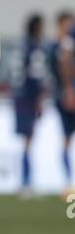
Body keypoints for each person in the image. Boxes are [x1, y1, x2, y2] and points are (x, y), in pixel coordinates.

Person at [10, 15, 47, 196]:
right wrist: (40, 99)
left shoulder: (21, 45)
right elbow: (36, 75)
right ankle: (26, 182)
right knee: (28, 140)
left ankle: (26, 181)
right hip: (29, 98)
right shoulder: (34, 48)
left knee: (26, 140)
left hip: (18, 96)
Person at [49, 12, 75, 196]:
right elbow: (64, 62)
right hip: (66, 95)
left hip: (65, 94)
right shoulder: (64, 43)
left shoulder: (62, 43)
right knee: (66, 139)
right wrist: (68, 90)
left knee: (66, 140)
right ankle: (68, 182)